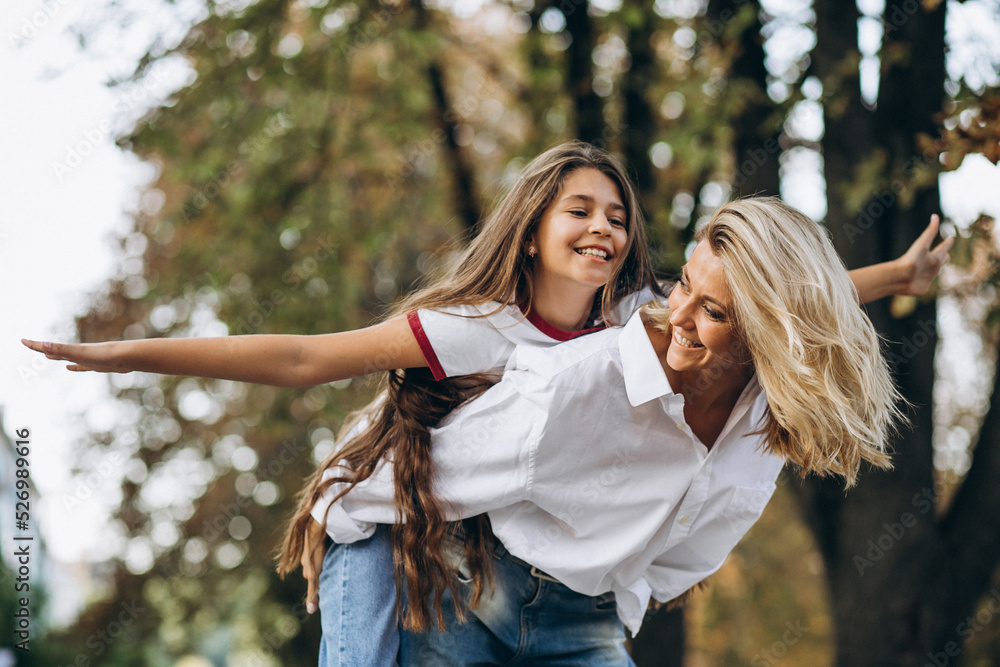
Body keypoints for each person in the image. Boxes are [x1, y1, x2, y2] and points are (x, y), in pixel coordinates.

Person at [22, 142, 951, 663]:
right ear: (532, 228)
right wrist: (123, 355)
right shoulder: (479, 328)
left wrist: (894, 276)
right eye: (578, 209)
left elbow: (780, 303)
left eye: (617, 215)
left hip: (532, 572)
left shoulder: (637, 315)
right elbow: (305, 357)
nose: (603, 226)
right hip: (388, 515)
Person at [299, 197, 920, 665]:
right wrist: (330, 506)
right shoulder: (581, 384)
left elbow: (812, 305)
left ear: (769, 334)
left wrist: (896, 275)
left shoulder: (767, 417)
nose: (679, 314)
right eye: (685, 283)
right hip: (472, 597)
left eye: (712, 311)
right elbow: (401, 481)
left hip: (586, 625)